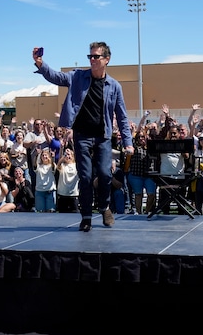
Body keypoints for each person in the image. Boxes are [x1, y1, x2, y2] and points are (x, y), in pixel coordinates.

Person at [33, 42, 134, 231]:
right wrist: (40, 63)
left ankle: (104, 208)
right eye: (91, 57)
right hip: (82, 135)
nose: (93, 60)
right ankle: (86, 216)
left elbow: (122, 116)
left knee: (105, 174)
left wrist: (128, 142)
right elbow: (57, 77)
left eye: (96, 57)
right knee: (86, 177)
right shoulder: (78, 76)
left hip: (103, 136)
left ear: (107, 59)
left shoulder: (114, 86)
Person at [56, 147, 80, 213]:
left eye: (69, 155)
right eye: (66, 155)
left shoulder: (76, 165)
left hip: (73, 194)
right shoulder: (62, 165)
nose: (67, 156)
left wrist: (73, 145)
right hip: (62, 194)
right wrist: (62, 149)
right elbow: (58, 163)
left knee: (75, 214)